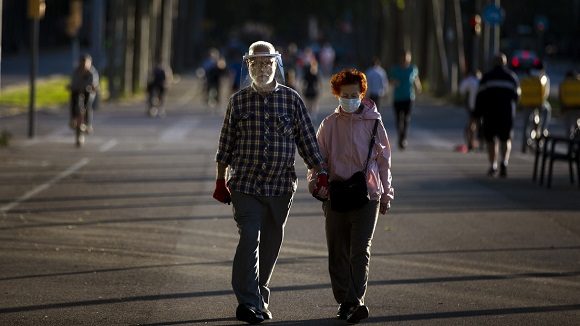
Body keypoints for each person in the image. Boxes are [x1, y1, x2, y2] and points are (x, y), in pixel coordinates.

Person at [212, 40, 328, 325]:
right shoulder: (238, 101)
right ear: (248, 66)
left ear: (276, 65)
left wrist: (320, 171)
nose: (262, 68)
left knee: (271, 242)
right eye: (256, 63)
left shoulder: (292, 100)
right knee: (250, 236)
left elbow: (307, 140)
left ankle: (259, 295)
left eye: (267, 63)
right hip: (245, 185)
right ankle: (248, 302)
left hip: (280, 186)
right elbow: (225, 145)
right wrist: (220, 180)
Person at [307, 68, 394, 324]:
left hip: (368, 195)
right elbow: (317, 160)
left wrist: (387, 193)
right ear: (337, 95)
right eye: (345, 94)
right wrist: (315, 183)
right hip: (335, 196)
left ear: (362, 93)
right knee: (338, 252)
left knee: (360, 251)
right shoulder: (328, 124)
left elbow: (385, 161)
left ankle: (355, 302)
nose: (350, 98)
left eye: (355, 94)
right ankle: (345, 300)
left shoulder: (374, 122)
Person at [474, 53, 520, 178]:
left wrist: (477, 114)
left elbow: (479, 97)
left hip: (490, 114)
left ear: (493, 63)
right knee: (506, 139)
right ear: (505, 63)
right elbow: (516, 97)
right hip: (506, 114)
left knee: (491, 140)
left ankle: (493, 165)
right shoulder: (512, 77)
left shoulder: (487, 77)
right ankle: (504, 162)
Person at [389, 50, 422, 150]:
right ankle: (400, 136)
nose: (405, 60)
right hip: (398, 98)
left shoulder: (413, 68)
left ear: (410, 58)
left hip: (409, 97)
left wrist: (418, 87)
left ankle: (403, 138)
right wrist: (394, 82)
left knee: (406, 119)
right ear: (401, 58)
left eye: (407, 57)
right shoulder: (395, 69)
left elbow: (416, 79)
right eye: (404, 58)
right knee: (398, 119)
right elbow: (390, 81)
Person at [69, 53, 99, 132]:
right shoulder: (76, 72)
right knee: (73, 100)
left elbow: (94, 83)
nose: (84, 65)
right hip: (78, 90)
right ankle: (73, 119)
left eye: (86, 63)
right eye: (82, 63)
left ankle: (88, 124)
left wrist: (93, 87)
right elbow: (73, 83)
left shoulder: (92, 72)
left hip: (88, 91)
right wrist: (71, 87)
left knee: (88, 104)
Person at [458, 70, 482, 151]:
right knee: (478, 124)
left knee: (471, 125)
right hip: (484, 107)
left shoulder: (469, 80)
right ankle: (479, 143)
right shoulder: (483, 80)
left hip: (473, 106)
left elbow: (461, 90)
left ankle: (471, 143)